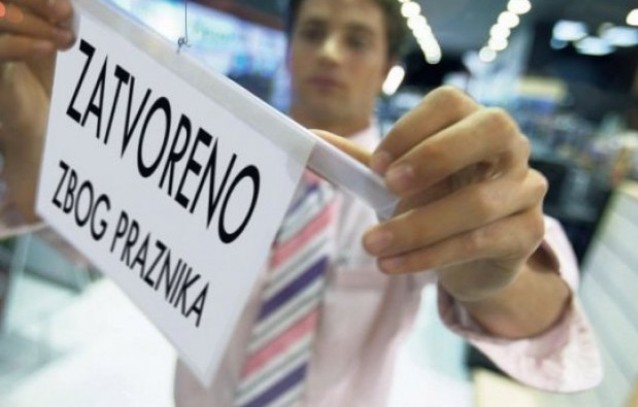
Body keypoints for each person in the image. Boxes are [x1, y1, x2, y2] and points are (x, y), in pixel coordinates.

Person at [0, 0, 602, 406]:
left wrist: (493, 266)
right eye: (313, 32)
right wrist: (24, 111)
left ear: (387, 68)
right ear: (290, 49)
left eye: (357, 40)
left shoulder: (421, 192)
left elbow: (544, 326)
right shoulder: (206, 160)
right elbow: (89, 228)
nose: (331, 52)